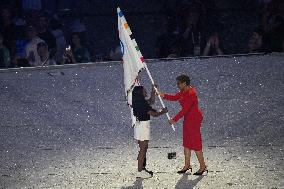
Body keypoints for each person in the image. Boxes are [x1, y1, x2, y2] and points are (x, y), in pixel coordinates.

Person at [156, 74, 207, 175]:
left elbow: (185, 109)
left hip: (194, 119)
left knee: (196, 143)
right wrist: (162, 95)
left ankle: (203, 166)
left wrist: (174, 119)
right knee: (187, 143)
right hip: (188, 119)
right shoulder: (183, 91)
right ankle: (187, 165)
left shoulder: (191, 93)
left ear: (184, 83)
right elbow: (175, 97)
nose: (177, 85)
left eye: (179, 83)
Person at [132, 85, 168, 178]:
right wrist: (163, 111)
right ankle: (140, 171)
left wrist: (153, 91)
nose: (146, 92)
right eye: (144, 91)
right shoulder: (142, 104)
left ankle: (142, 169)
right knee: (143, 150)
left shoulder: (139, 101)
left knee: (143, 149)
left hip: (140, 126)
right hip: (143, 127)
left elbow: (151, 101)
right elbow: (154, 114)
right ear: (140, 93)